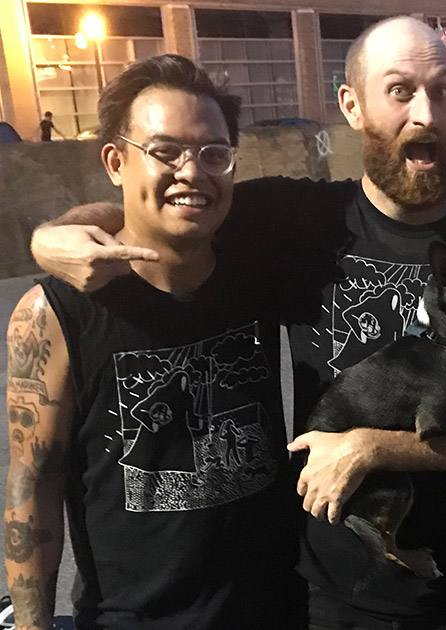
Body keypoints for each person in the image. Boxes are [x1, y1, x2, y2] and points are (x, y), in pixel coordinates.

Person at [29, 17, 446, 629]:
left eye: (442, 91)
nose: (426, 114)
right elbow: (174, 199)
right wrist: (52, 236)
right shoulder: (298, 219)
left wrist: (367, 449)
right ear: (351, 105)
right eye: (400, 91)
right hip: (327, 597)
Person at [4, 54, 301, 630]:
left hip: (277, 609)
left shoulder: (260, 267)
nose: (192, 172)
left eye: (213, 153)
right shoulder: (55, 312)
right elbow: (33, 483)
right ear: (116, 162)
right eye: (165, 151)